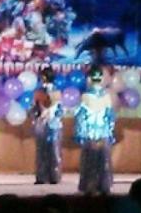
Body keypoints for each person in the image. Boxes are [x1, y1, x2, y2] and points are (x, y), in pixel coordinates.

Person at [74, 66, 116, 195]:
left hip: (90, 133)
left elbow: (81, 117)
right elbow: (110, 117)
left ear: (89, 79)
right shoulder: (107, 96)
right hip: (103, 132)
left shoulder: (86, 96)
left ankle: (89, 186)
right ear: (101, 79)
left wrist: (80, 134)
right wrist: (110, 133)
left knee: (89, 160)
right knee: (103, 160)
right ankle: (104, 186)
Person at [32, 68, 64, 185]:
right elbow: (36, 108)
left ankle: (47, 176)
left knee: (48, 151)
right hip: (48, 124)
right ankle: (50, 176)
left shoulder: (51, 92)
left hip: (49, 124)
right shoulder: (53, 92)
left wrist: (44, 114)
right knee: (50, 151)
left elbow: (59, 109)